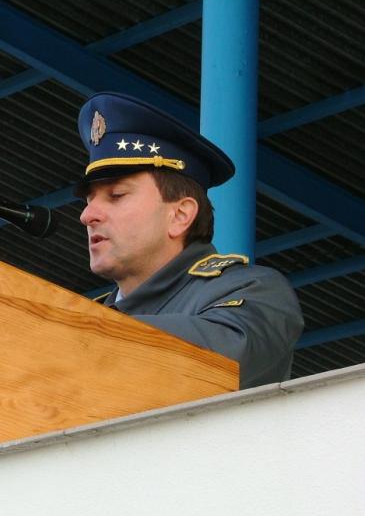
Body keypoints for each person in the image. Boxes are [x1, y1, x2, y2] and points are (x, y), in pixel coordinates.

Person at [76, 92, 303, 389]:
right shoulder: (86, 317)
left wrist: (80, 332)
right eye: (88, 201)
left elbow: (228, 354)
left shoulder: (256, 289)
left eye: (116, 195)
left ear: (180, 215)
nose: (87, 215)